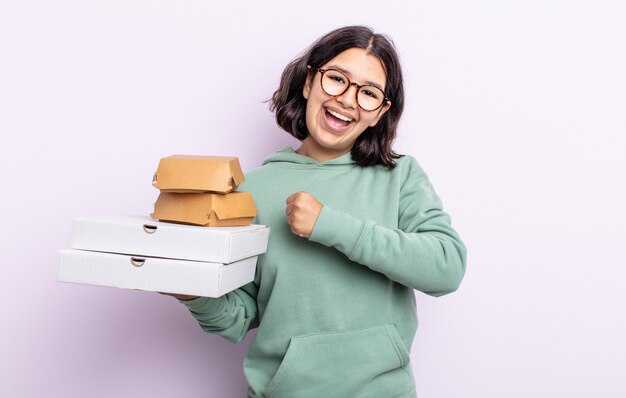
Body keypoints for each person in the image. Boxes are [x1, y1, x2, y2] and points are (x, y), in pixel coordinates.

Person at [168, 25, 467, 398]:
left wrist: (331, 226)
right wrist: (191, 292)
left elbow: (447, 268)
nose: (347, 99)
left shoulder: (400, 176)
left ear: (380, 113)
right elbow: (239, 317)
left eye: (369, 93)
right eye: (337, 79)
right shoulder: (253, 188)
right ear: (310, 81)